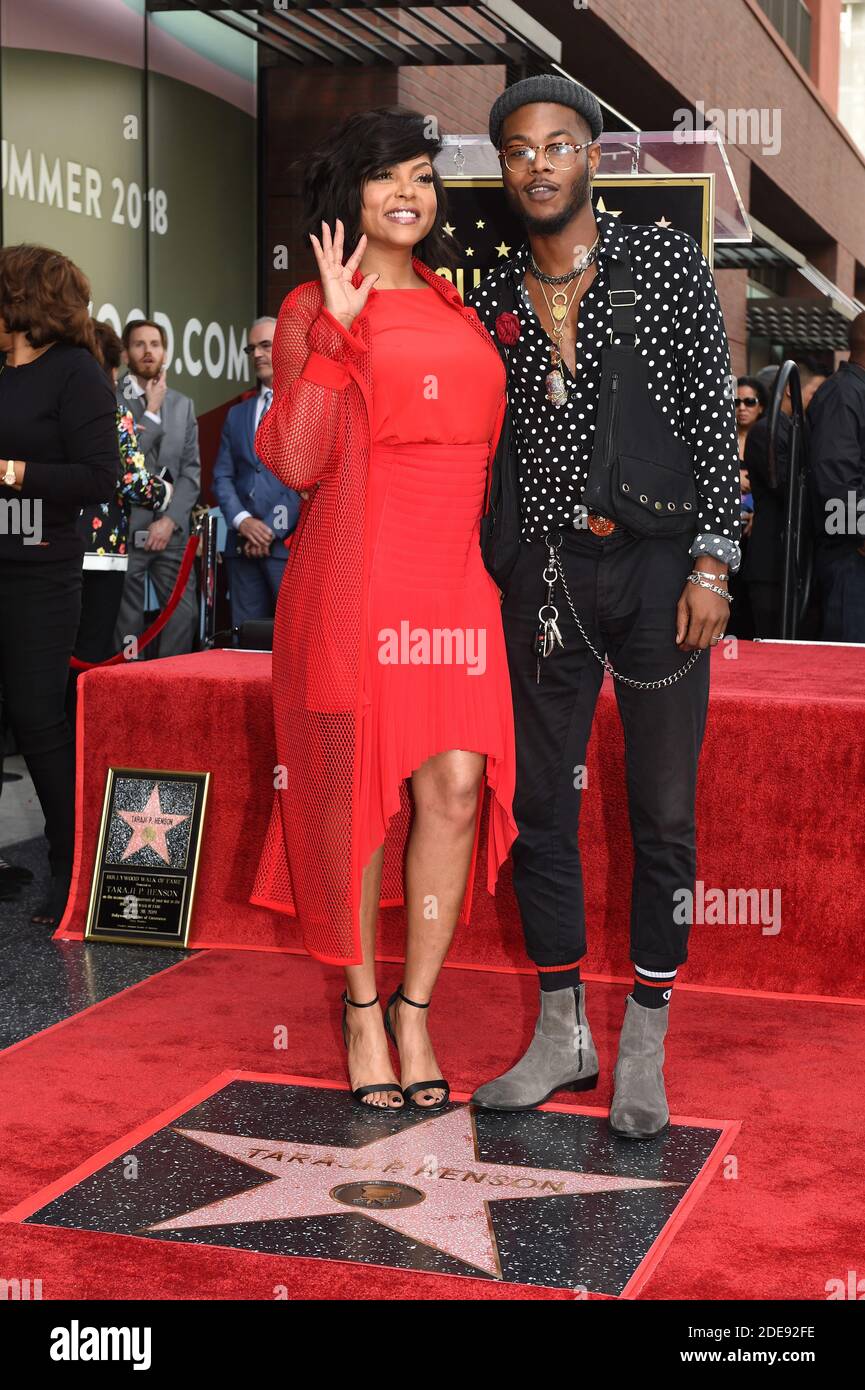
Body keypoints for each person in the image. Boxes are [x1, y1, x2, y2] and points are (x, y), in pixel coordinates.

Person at [464, 75, 740, 1138]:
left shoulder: (662, 260)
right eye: (520, 149)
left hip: (665, 571)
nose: (539, 163)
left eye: (559, 144)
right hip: (545, 577)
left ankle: (645, 1038)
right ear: (506, 169)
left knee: (662, 812)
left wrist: (714, 563)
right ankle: (559, 1030)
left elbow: (716, 418)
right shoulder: (492, 294)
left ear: (591, 158)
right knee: (541, 803)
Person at [250, 106, 519, 1111]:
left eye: (421, 175)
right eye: (384, 177)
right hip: (358, 577)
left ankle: (416, 1006)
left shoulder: (462, 310)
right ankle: (361, 1008)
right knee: (356, 802)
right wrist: (332, 329)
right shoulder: (309, 308)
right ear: (349, 197)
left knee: (454, 788)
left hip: (457, 584)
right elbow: (295, 461)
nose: (407, 192)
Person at [0, 244, 119, 925]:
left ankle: (71, 865)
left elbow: (97, 479)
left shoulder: (76, 373)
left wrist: (15, 473)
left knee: (39, 719)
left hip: (39, 566)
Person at [72, 319, 172, 668]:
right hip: (102, 554)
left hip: (56, 547)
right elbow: (130, 481)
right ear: (111, 365)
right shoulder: (114, 412)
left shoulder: (55, 408)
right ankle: (76, 723)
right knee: (91, 651)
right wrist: (164, 491)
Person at [113, 320, 200, 658]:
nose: (148, 351)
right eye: (139, 344)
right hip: (126, 532)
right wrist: (150, 411)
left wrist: (170, 521)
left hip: (172, 534)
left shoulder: (183, 405)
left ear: (165, 352)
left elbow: (191, 472)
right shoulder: (113, 400)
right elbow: (124, 464)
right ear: (125, 353)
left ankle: (169, 688)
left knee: (182, 616)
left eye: (155, 344)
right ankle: (127, 690)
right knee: (126, 624)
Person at [211, 317, 301, 627]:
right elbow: (222, 477)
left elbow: (305, 479)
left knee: (291, 641)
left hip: (285, 548)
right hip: (241, 547)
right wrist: (243, 522)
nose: (257, 354)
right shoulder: (237, 413)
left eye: (265, 345)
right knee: (244, 642)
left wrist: (269, 529)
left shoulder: (304, 406)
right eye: (252, 348)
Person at [808, 313, 865, 641]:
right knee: (851, 664)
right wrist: (859, 536)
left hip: (853, 551)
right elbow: (835, 476)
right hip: (850, 557)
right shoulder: (844, 393)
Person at [735, 375, 768, 466]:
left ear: (761, 407)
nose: (742, 408)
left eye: (749, 402)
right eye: (736, 402)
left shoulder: (769, 440)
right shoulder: (724, 437)